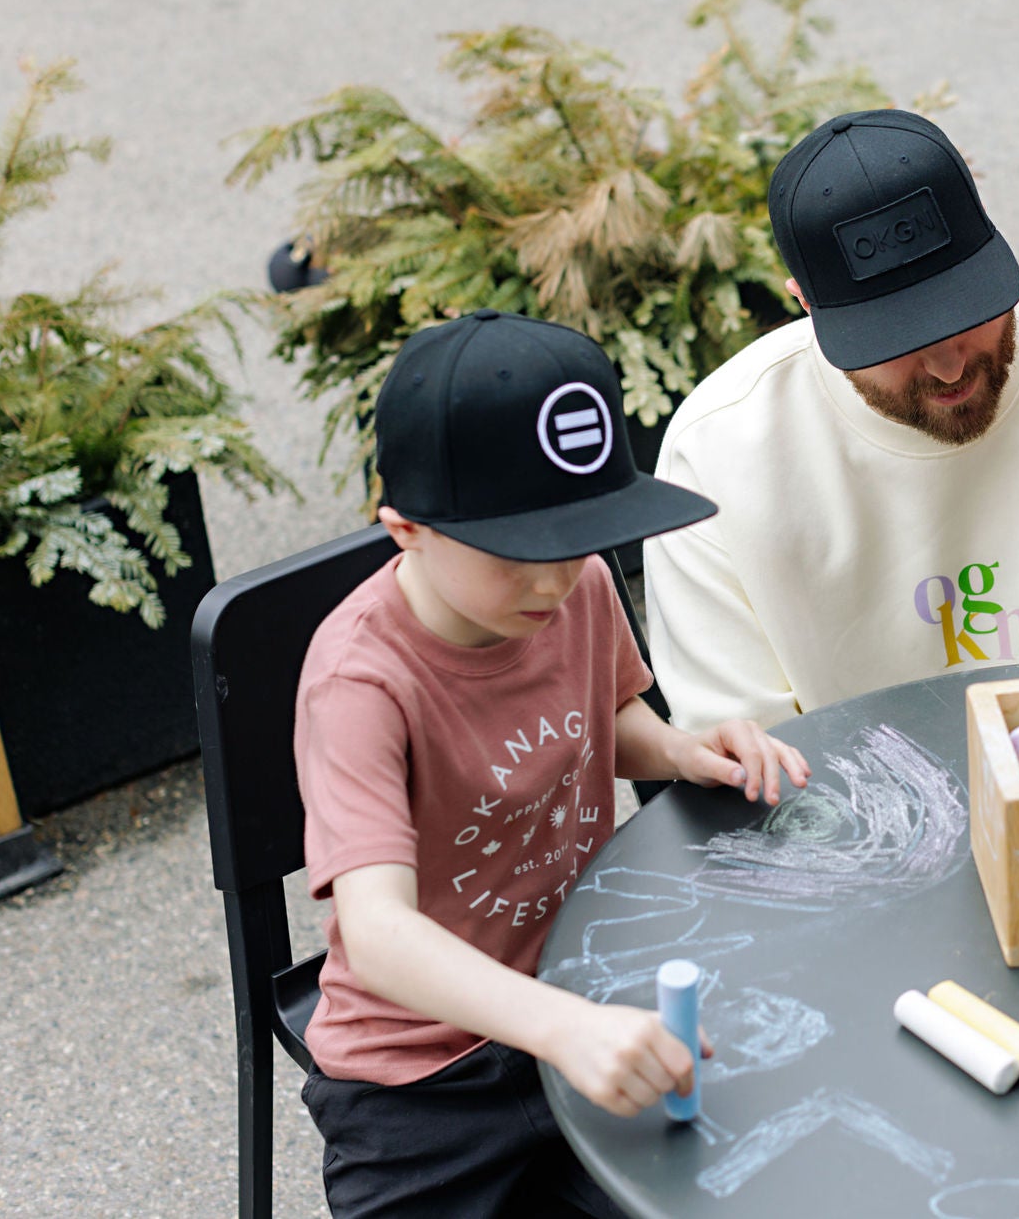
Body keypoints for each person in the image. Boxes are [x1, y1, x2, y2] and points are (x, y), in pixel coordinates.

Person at [293, 310, 810, 1217]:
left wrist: (685, 749)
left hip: (590, 986)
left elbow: (609, 715)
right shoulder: (357, 680)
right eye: (517, 553)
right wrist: (562, 1029)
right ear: (405, 529)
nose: (553, 580)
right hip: (421, 1078)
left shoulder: (579, 585)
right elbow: (377, 936)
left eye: (579, 537)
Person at [643, 109, 1019, 732]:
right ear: (805, 304)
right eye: (897, 336)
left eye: (964, 310)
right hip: (850, 816)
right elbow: (739, 745)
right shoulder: (716, 454)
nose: (948, 368)